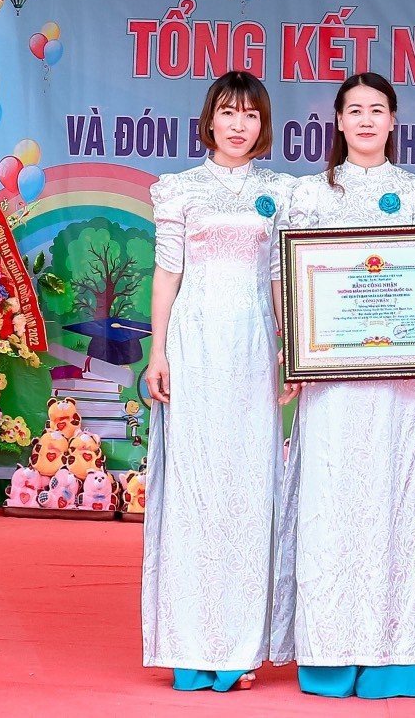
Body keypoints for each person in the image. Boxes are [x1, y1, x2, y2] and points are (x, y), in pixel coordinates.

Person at [269, 73, 415, 700]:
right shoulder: (307, 195)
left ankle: (392, 660)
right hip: (330, 383)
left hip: (395, 386)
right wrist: (294, 349)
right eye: (354, 110)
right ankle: (328, 656)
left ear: (394, 120)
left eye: (378, 110)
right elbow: (282, 278)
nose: (366, 120)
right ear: (337, 122)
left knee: (391, 509)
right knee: (329, 507)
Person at [142, 71, 296, 692]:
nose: (239, 125)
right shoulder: (178, 190)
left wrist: (294, 355)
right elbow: (165, 277)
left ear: (263, 125)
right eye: (229, 113)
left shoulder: (281, 192)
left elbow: (284, 279)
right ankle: (189, 644)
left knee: (250, 488)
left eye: (251, 115)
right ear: (209, 120)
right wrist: (159, 354)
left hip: (255, 351)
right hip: (194, 348)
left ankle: (238, 647)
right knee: (193, 489)